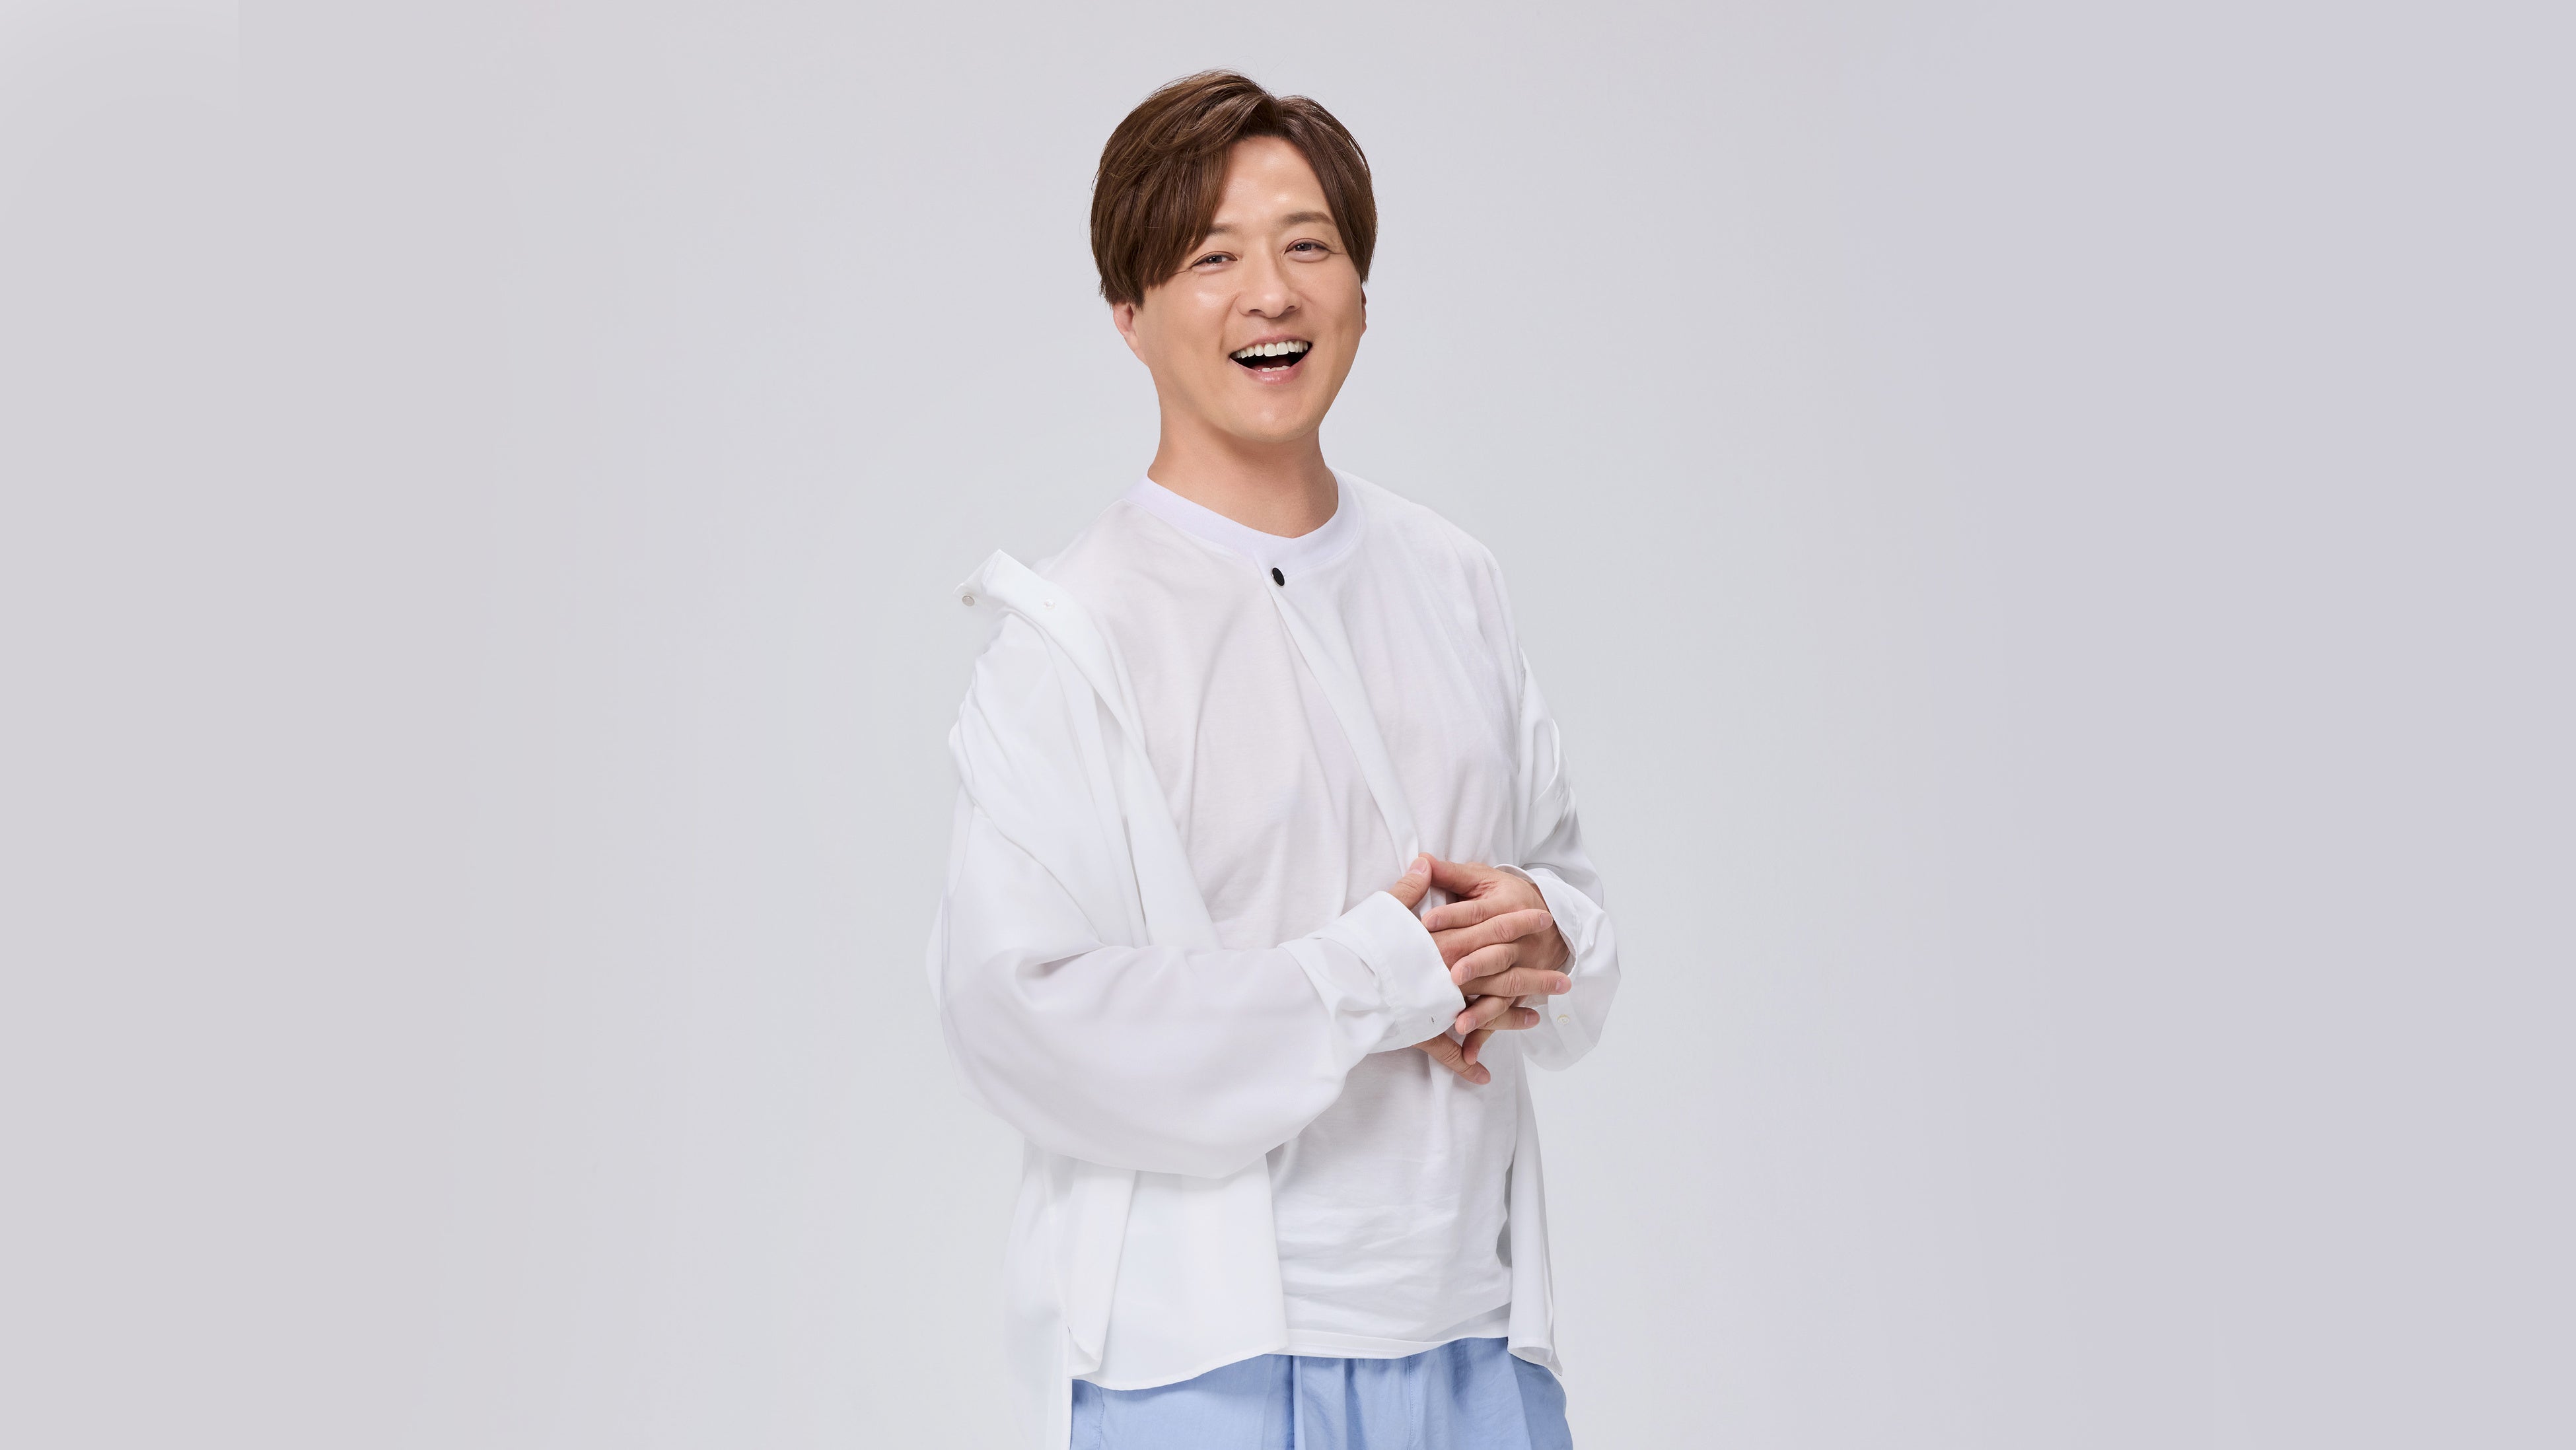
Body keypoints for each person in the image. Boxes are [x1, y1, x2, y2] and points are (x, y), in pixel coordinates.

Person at [926, 70, 1620, 1450]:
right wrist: (1368, 976)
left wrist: (1551, 933)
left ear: (1360, 287)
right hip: (1201, 1369)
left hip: (1480, 1345)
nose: (1271, 294)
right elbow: (1018, 1014)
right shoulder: (1073, 637)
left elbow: (1561, 895)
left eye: (1310, 245)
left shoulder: (1453, 578)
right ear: (1129, 312)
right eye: (1211, 258)